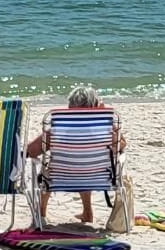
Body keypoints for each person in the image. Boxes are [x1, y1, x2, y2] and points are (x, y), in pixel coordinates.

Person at [26, 84, 127, 225]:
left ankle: (41, 213)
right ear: (95, 105)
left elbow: (31, 150)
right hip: (97, 176)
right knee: (85, 164)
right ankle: (87, 212)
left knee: (48, 170)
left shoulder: (60, 126)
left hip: (61, 177)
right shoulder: (106, 127)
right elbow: (122, 145)